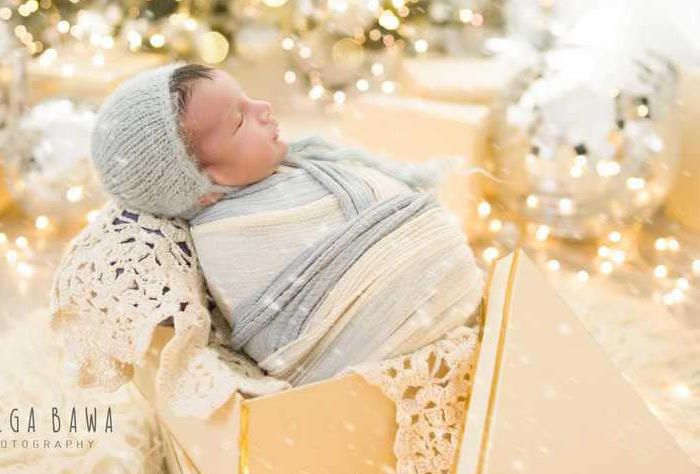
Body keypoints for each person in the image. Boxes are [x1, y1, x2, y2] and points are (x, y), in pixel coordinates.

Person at [90, 61, 482, 386]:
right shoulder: (230, 237)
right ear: (203, 186)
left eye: (247, 99)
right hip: (381, 356)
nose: (263, 107)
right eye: (239, 121)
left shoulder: (289, 171)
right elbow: (285, 330)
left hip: (443, 303)